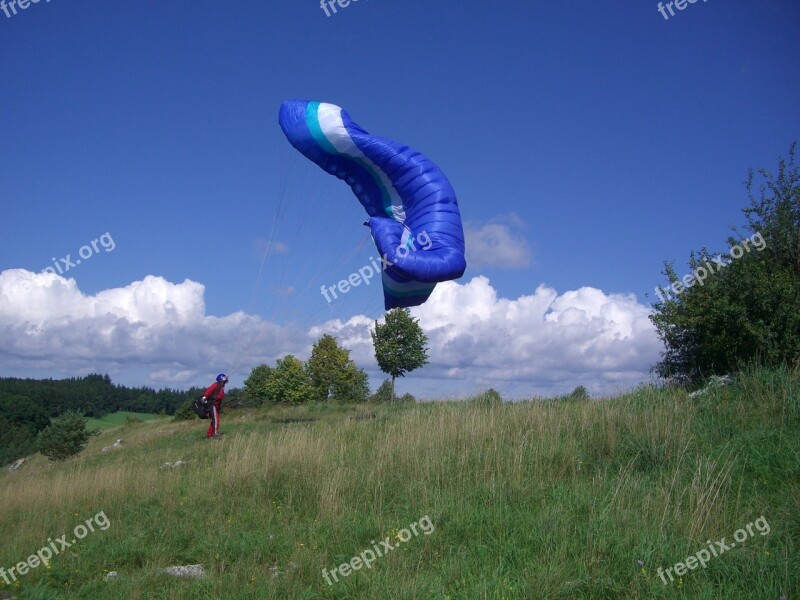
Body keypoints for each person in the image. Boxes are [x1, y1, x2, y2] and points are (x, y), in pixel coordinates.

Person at [203, 374, 228, 438]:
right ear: (220, 381)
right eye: (223, 382)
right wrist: (204, 399)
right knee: (216, 419)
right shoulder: (215, 385)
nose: (224, 384)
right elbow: (208, 392)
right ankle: (215, 434)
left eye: (225, 382)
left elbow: (220, 398)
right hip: (212, 405)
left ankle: (209, 435)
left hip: (216, 406)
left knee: (216, 420)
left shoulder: (221, 388)